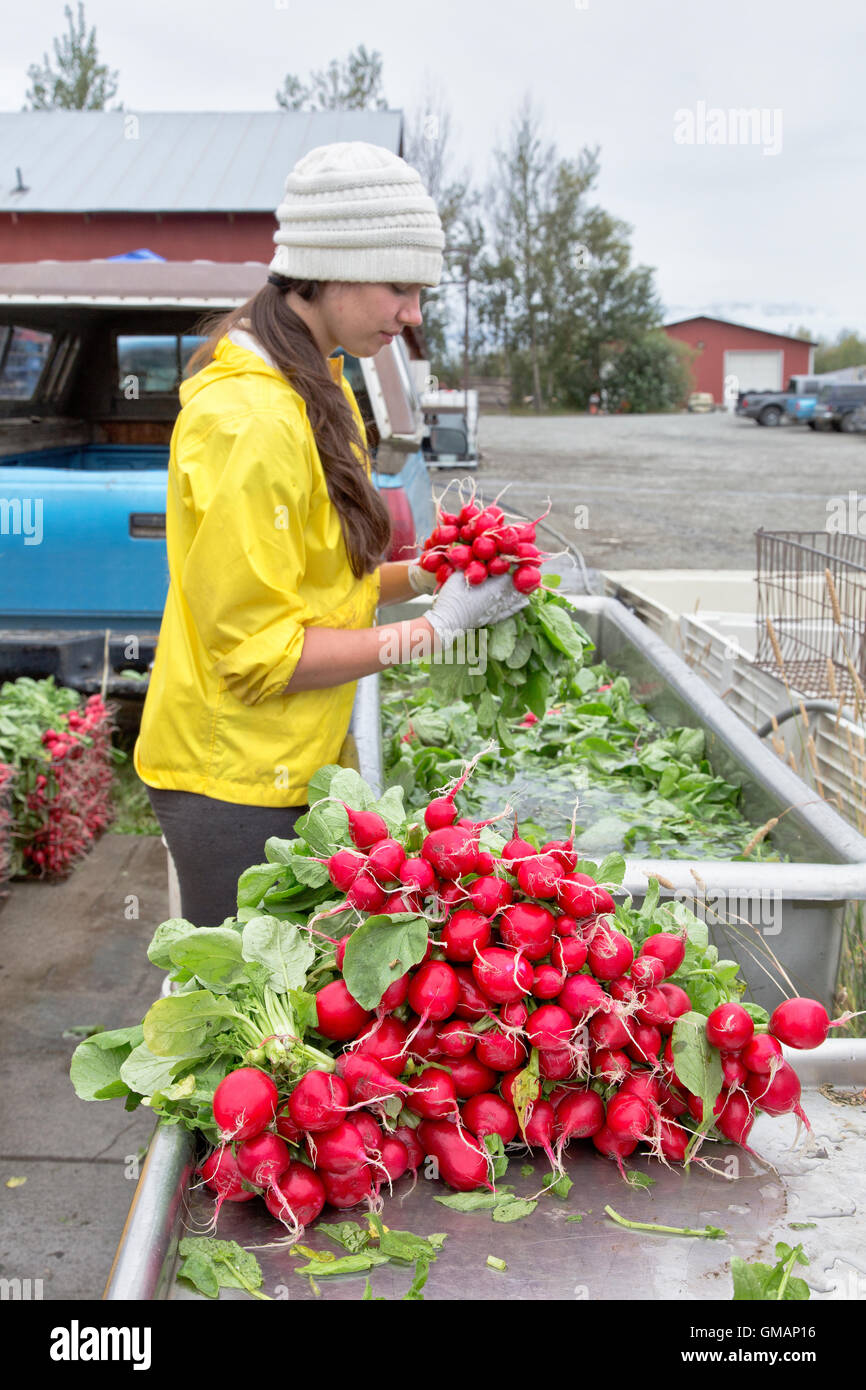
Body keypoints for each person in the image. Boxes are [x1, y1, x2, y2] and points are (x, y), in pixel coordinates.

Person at [134, 141, 527, 926]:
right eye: (401, 288)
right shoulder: (249, 419)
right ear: (333, 266)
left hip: (293, 761)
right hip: (234, 782)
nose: (413, 315)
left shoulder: (320, 379)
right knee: (235, 1019)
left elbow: (316, 583)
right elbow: (258, 657)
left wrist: (422, 576)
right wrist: (437, 630)